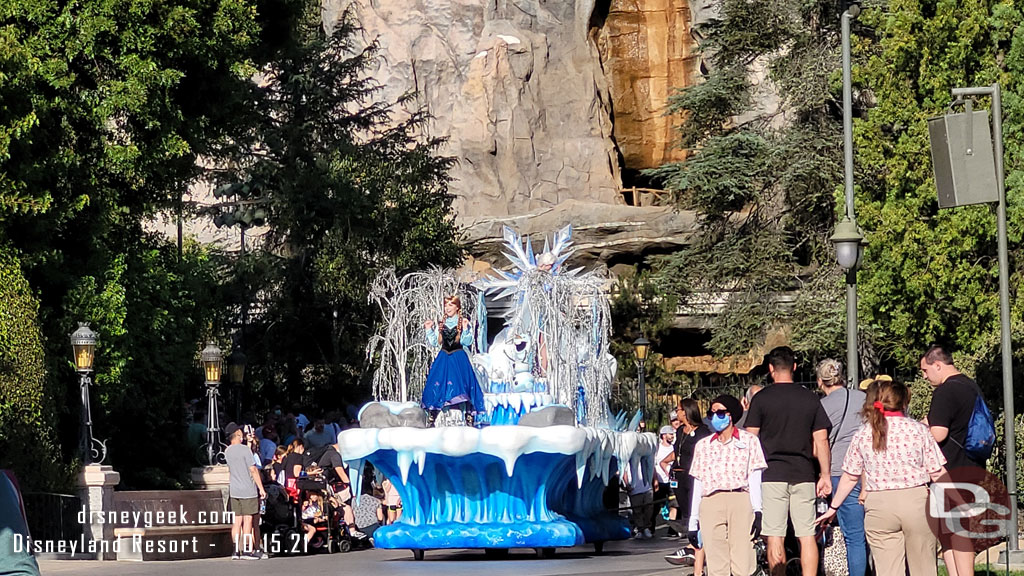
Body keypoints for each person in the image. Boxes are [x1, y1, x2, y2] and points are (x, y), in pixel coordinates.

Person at [816, 378, 949, 576]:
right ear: (904, 402)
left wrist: (833, 507)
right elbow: (937, 472)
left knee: (887, 570)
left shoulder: (863, 433)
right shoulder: (919, 430)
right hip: (916, 502)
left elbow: (850, 476)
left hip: (878, 505)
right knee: (923, 567)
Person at [744, 346, 831, 576]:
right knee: (806, 535)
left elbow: (750, 439)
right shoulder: (809, 398)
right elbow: (821, 440)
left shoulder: (761, 399)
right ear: (794, 367)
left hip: (771, 474)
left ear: (771, 369)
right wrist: (825, 475)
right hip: (803, 473)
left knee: (775, 535)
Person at [920, 344, 987, 576]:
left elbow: (938, 433)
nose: (924, 376)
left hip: (949, 469)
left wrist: (916, 436)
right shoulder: (970, 386)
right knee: (951, 531)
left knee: (955, 533)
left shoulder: (945, 391)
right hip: (972, 464)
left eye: (926, 370)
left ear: (938, 365)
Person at [688, 394, 767, 576]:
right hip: (711, 501)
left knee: (743, 558)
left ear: (731, 415)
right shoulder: (703, 445)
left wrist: (758, 510)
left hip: (740, 498)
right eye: (711, 412)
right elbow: (698, 483)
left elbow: (755, 478)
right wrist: (693, 522)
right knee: (716, 561)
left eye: (720, 412)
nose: (715, 416)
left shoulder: (749, 441)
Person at [816, 359, 868, 576]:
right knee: (868, 534)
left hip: (839, 471)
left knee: (852, 535)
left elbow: (818, 443)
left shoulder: (821, 407)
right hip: (868, 471)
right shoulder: (864, 398)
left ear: (820, 382)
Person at [421, 295, 485, 426]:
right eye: (446, 305)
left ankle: (468, 415)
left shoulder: (462, 322)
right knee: (437, 383)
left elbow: (467, 342)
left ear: (457, 307)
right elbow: (435, 342)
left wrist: (467, 328)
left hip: (458, 358)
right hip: (444, 358)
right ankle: (433, 415)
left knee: (462, 384)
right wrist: (429, 329)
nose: (447, 308)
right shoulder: (442, 324)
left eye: (450, 305)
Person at [665, 398, 712, 570]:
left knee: (696, 510)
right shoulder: (679, 432)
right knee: (685, 511)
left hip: (694, 476)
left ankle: (695, 546)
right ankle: (691, 543)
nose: (676, 413)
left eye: (678, 409)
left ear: (686, 411)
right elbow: (676, 451)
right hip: (679, 476)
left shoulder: (703, 432)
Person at [224, 422, 266, 560]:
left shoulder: (227, 451)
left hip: (234, 490)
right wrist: (261, 489)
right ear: (237, 435)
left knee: (237, 521)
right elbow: (253, 470)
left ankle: (236, 550)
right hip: (248, 489)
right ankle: (248, 550)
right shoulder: (245, 450)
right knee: (248, 520)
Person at [651, 425, 676, 534]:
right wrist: (655, 479)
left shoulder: (674, 448)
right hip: (660, 480)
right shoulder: (657, 448)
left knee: (673, 504)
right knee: (656, 505)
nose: (672, 436)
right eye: (670, 434)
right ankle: (651, 526)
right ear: (663, 435)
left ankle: (673, 528)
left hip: (672, 482)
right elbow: (653, 465)